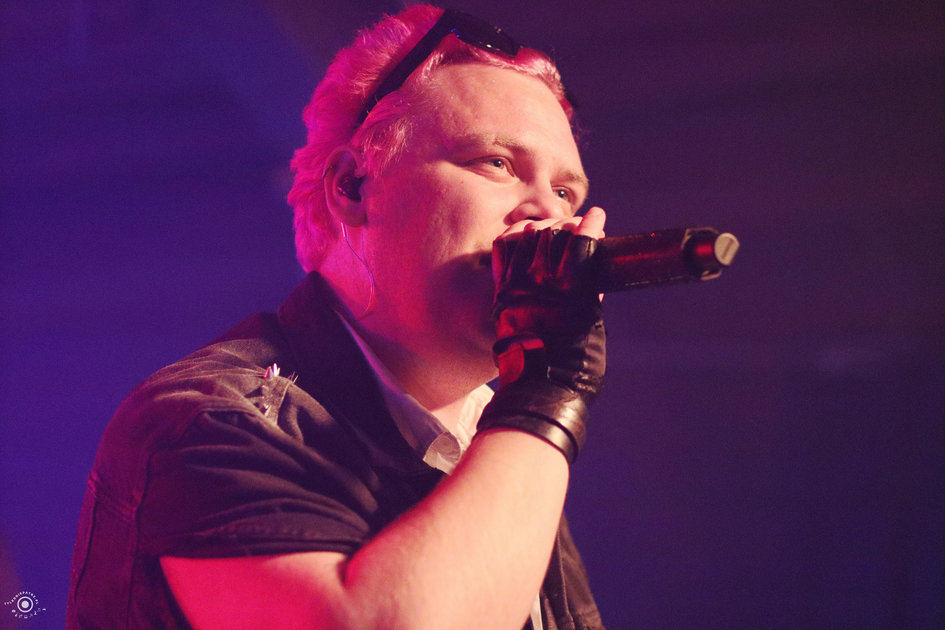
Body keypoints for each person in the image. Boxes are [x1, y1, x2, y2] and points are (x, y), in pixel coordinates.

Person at [67, 5, 609, 629]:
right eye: (496, 163)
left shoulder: (496, 442)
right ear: (353, 186)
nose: (551, 214)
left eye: (566, 192)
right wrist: (546, 393)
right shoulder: (212, 418)